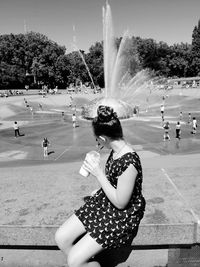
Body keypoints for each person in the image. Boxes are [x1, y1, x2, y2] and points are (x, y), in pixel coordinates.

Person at [55, 105, 146, 267]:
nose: (96, 142)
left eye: (96, 138)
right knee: (61, 238)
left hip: (121, 214)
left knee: (74, 261)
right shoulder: (116, 150)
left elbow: (121, 202)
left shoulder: (129, 162)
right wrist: (101, 187)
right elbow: (115, 182)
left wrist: (98, 174)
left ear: (103, 138)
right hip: (107, 201)